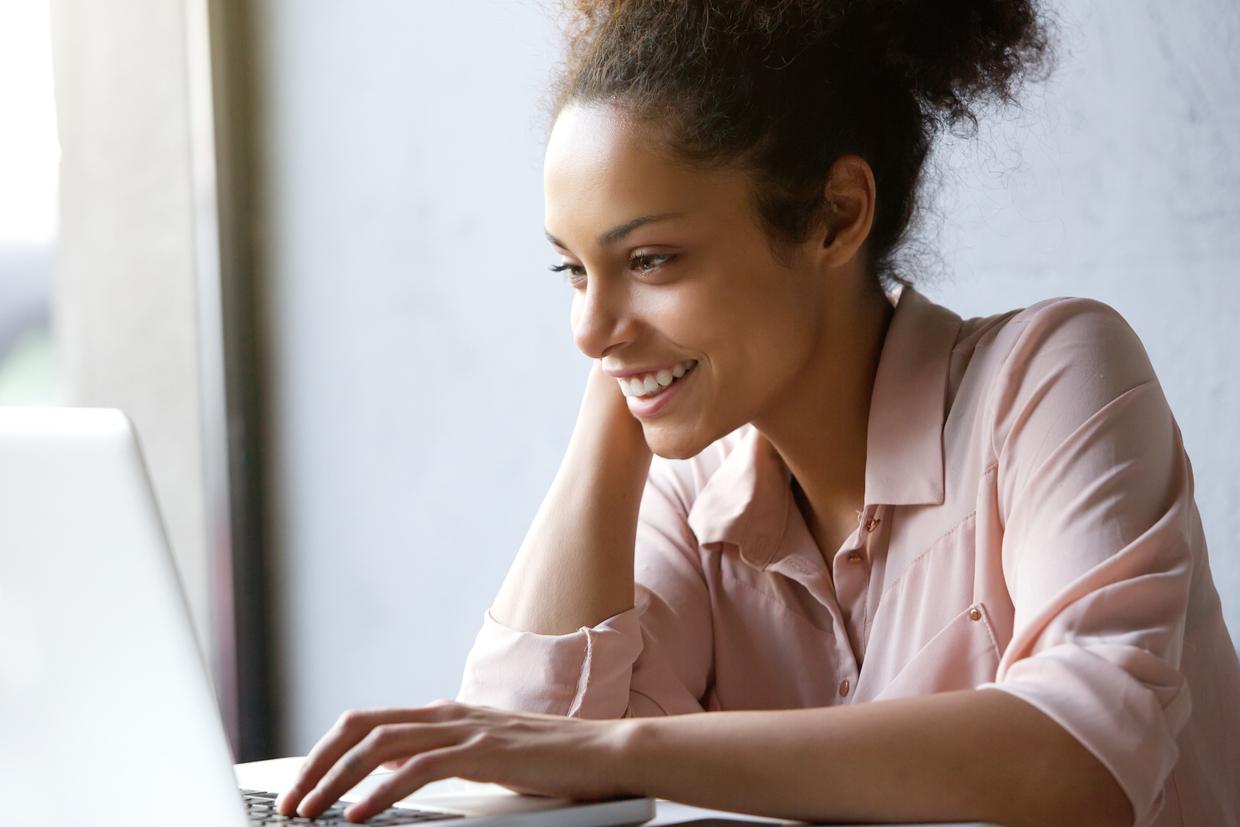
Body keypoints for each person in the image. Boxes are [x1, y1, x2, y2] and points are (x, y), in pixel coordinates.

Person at [276, 2, 1240, 825]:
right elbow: (524, 759)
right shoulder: (691, 490)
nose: (585, 326)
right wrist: (628, 378)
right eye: (572, 269)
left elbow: (1088, 754)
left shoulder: (1050, 375)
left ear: (834, 215)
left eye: (650, 258)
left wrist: (632, 749)